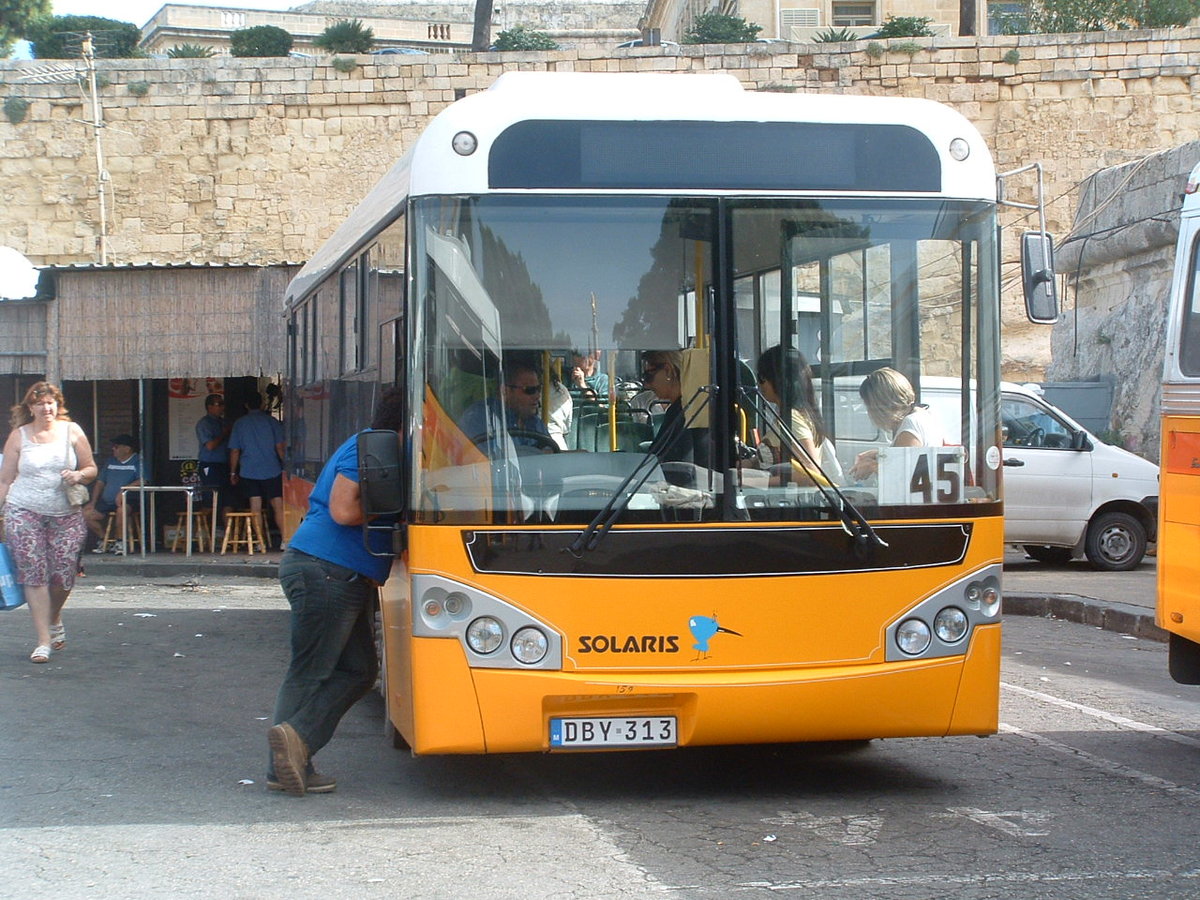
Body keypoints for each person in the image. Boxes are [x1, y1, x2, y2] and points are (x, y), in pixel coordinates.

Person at [267, 388, 405, 796]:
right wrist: (402, 512)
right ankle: (286, 761)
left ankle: (296, 747)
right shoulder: (371, 446)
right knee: (310, 672)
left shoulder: (376, 445)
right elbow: (344, 510)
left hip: (337, 573)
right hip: (325, 570)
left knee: (359, 671)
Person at [0, 382, 97, 664]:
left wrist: (79, 476)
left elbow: (91, 468)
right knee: (34, 573)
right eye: (40, 403)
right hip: (24, 509)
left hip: (66, 512)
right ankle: (43, 640)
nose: (46, 408)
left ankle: (53, 616)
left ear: (58, 405)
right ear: (30, 407)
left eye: (51, 402)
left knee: (64, 574)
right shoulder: (19, 436)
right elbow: (5, 480)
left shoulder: (72, 430)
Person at [755, 346, 840, 486]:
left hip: (790, 502)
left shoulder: (792, 418)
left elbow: (810, 472)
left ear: (779, 379)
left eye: (762, 378)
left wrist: (755, 481)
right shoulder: (797, 413)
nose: (759, 384)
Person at [849, 367, 945, 482]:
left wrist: (873, 466)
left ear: (879, 405)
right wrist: (879, 454)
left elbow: (905, 476)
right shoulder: (924, 415)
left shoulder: (910, 425)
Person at [641, 350, 710, 478]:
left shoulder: (684, 413)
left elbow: (680, 469)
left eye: (648, 375)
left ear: (668, 371)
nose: (646, 384)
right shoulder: (685, 408)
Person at [458, 360, 553, 453]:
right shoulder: (480, 417)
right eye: (529, 390)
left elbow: (551, 452)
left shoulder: (535, 423)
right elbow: (484, 460)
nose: (537, 396)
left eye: (538, 389)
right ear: (505, 391)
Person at [229, 392, 285, 545]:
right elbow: (280, 447)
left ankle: (261, 542)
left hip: (249, 470)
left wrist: (233, 472)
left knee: (256, 507)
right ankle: (285, 540)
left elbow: (235, 450)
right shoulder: (272, 422)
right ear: (262, 404)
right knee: (278, 505)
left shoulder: (239, 424)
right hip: (272, 468)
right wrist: (286, 466)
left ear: (246, 406)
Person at [82, 434, 142, 555]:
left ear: (127, 448)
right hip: (107, 501)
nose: (113, 449)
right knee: (86, 514)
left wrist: (123, 491)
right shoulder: (110, 461)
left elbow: (142, 480)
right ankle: (105, 541)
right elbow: (100, 482)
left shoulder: (138, 461)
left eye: (116, 446)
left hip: (128, 501)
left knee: (121, 511)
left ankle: (120, 542)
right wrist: (93, 502)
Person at [195, 393, 233, 522]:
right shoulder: (204, 424)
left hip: (225, 464)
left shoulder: (223, 422)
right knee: (210, 501)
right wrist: (224, 434)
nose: (222, 407)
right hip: (210, 464)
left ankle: (227, 537)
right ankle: (200, 533)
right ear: (209, 407)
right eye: (219, 404)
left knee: (228, 501)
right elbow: (210, 445)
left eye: (223, 404)